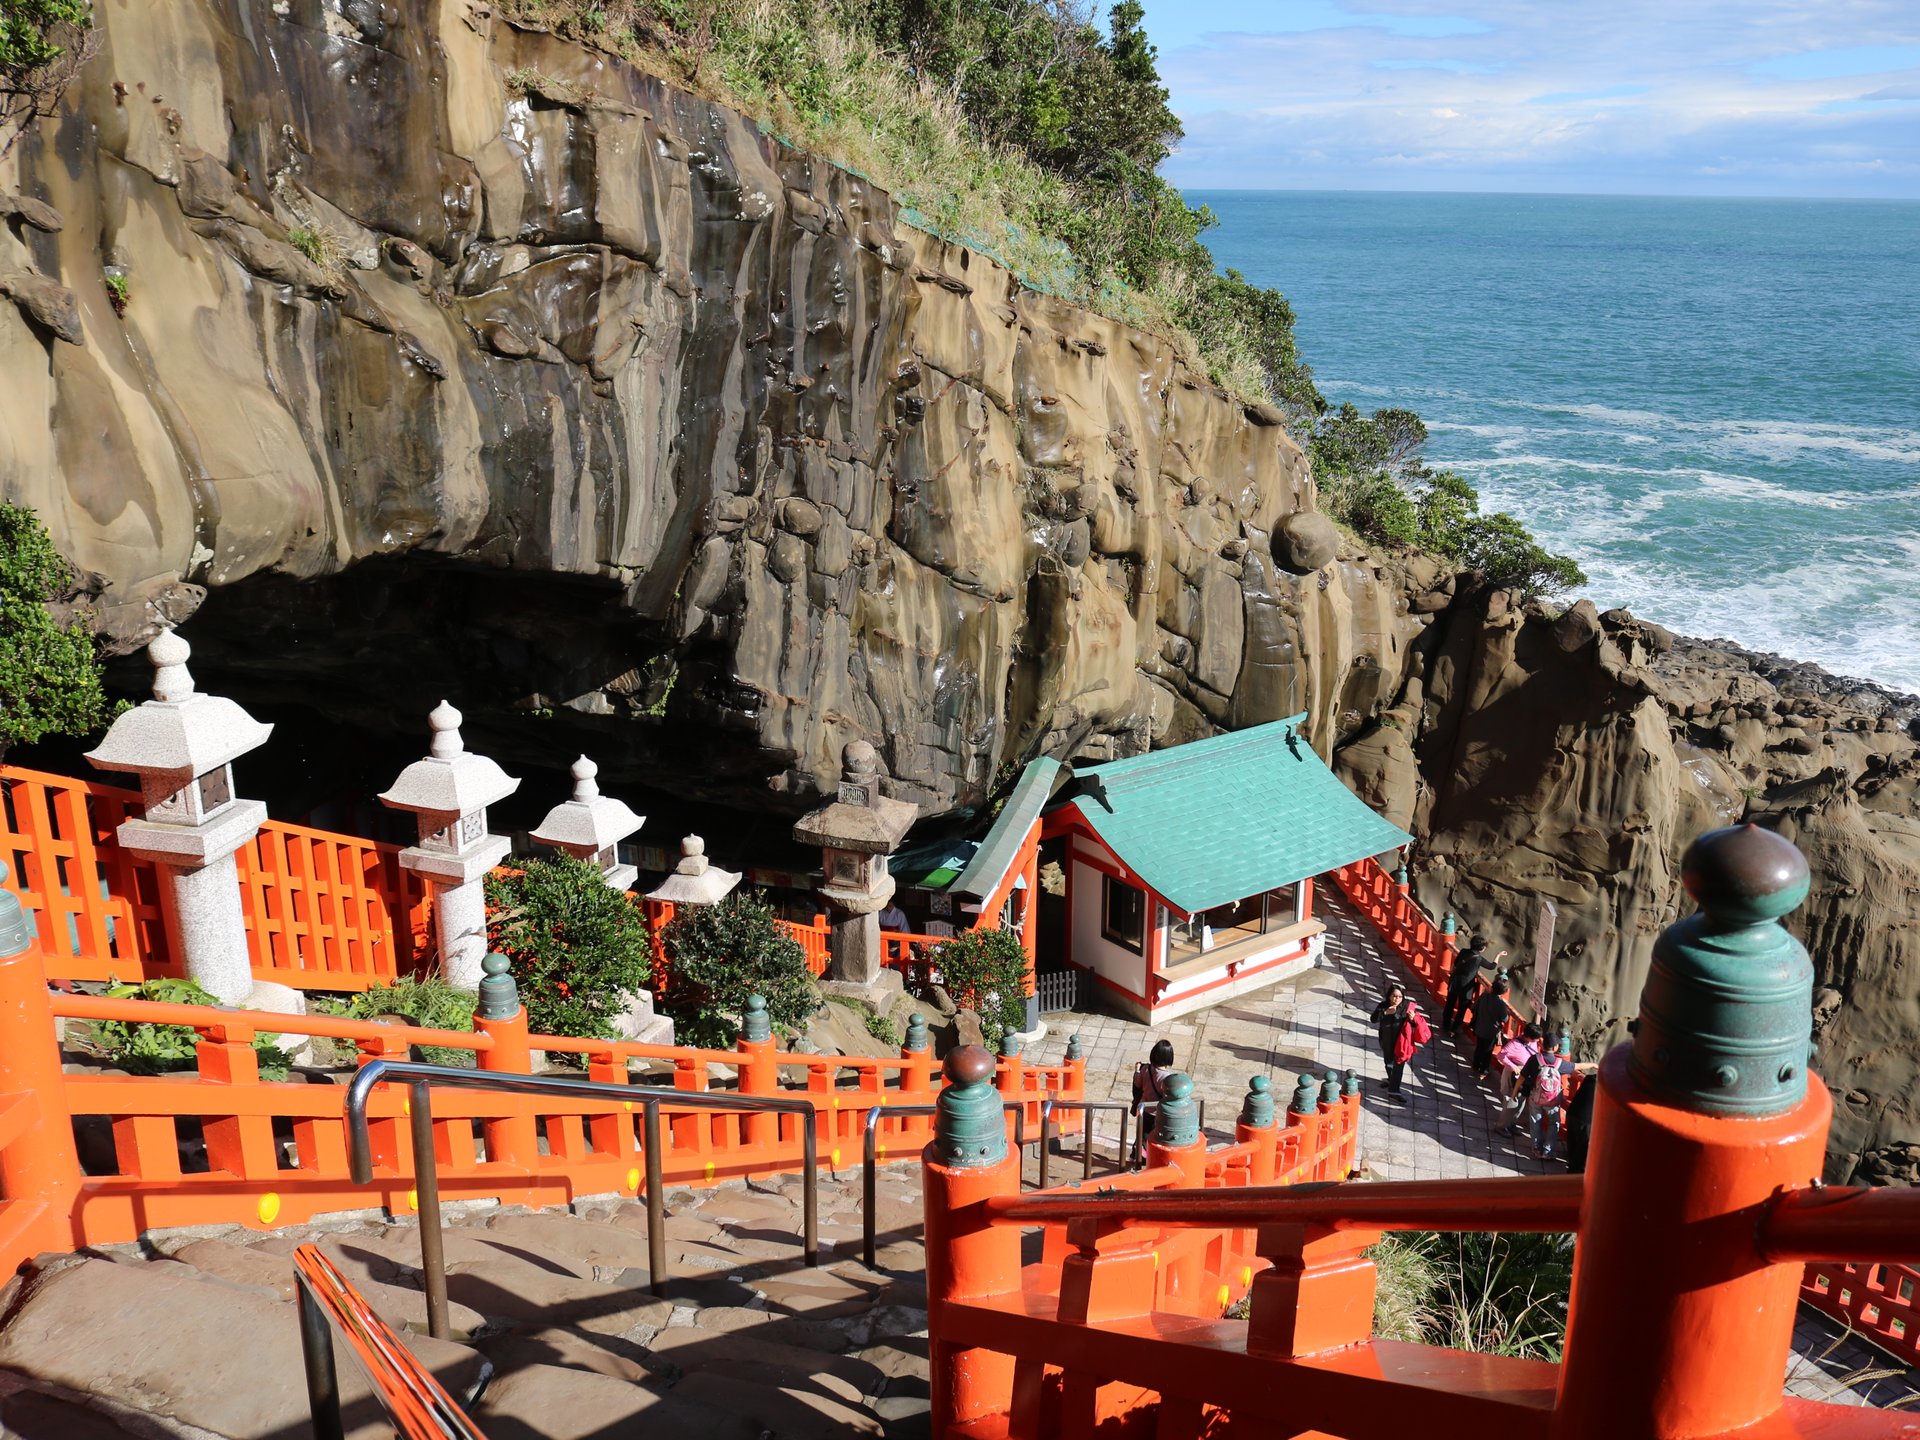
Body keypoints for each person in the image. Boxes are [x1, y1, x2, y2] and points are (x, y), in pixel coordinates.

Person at [1370, 984, 1429, 1100]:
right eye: (1394, 996)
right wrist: (1385, 1013)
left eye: (1400, 996)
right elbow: (1373, 1019)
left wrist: (1412, 1019)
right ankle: (1391, 1081)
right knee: (1388, 1062)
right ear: (1389, 996)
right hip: (1386, 1039)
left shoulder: (1406, 1007)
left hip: (1401, 1042)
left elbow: (1413, 1025)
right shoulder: (1383, 1006)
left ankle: (1394, 1091)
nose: (1397, 999)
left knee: (1398, 1066)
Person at [1442, 937, 1506, 1034]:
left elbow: (1455, 963)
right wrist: (1499, 955)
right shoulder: (1479, 959)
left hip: (1455, 982)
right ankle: (1454, 1030)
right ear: (1482, 948)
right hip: (1466, 986)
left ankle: (1445, 1024)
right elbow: (1492, 966)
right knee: (1461, 1009)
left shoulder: (1463, 951)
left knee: (1450, 1004)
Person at [1130, 1039, 1176, 1166]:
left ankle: (1137, 1153)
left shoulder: (1146, 1069)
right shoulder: (1166, 1077)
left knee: (1143, 1134)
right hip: (1157, 1112)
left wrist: (1137, 1070)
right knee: (1155, 1136)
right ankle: (1149, 1157)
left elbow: (1137, 1083)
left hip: (1144, 1109)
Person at [1469, 975, 1513, 1078]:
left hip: (1479, 1026)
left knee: (1479, 1047)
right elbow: (1505, 1019)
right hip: (1491, 1031)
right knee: (1487, 1051)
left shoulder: (1484, 996)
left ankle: (1475, 1065)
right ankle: (1483, 1070)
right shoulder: (1500, 1004)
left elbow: (1474, 1007)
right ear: (1504, 992)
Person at [1564, 1070, 1597, 1173]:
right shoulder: (1608, 1088)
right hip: (1586, 1119)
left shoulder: (1590, 1078)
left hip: (1573, 1111)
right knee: (1582, 1146)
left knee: (1572, 1141)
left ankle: (1571, 1164)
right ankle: (1573, 1172)